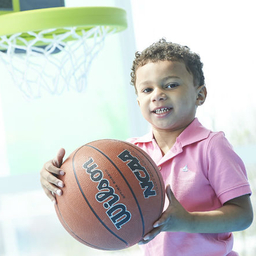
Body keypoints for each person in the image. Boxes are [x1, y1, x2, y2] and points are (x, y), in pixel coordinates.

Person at [40, 39, 253, 256]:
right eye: (147, 89)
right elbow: (89, 193)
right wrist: (59, 181)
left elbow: (243, 216)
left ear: (200, 94)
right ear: (138, 100)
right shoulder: (128, 152)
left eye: (171, 85)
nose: (157, 94)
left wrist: (188, 221)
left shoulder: (211, 146)